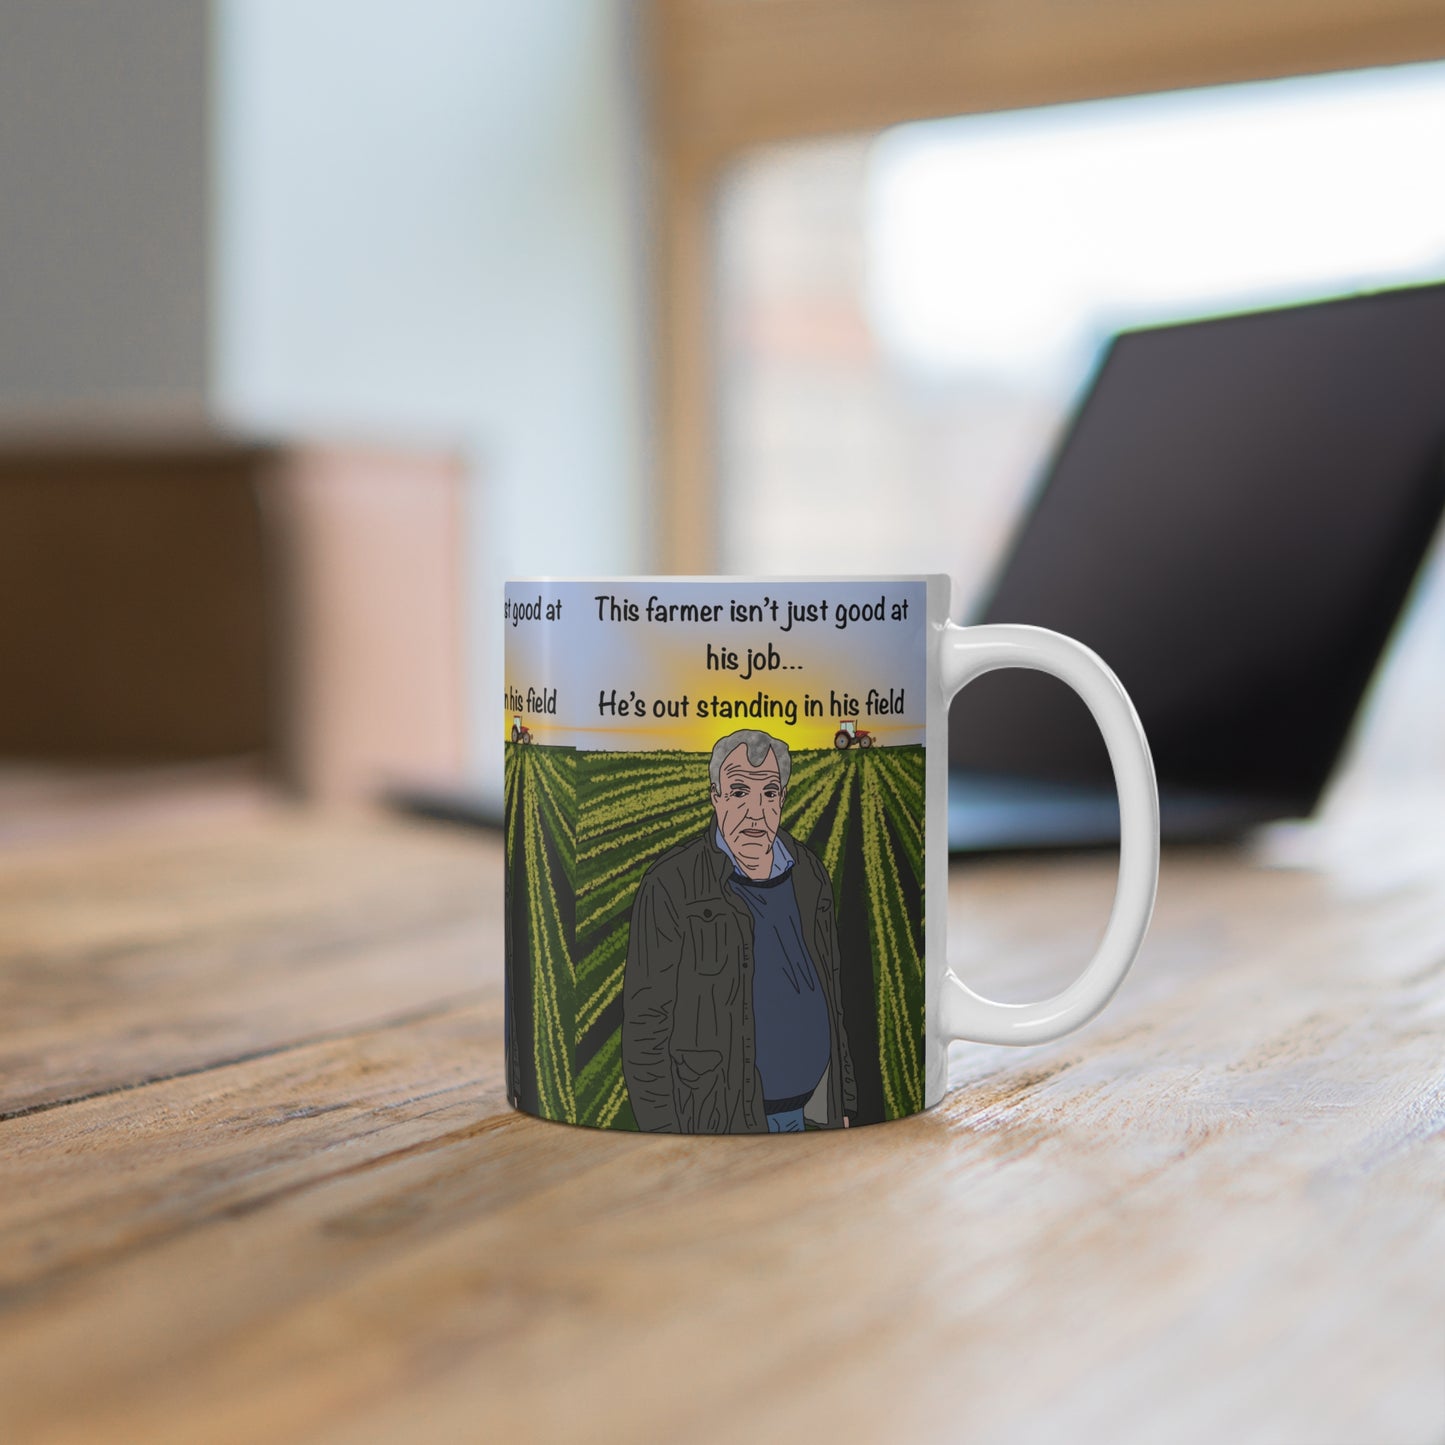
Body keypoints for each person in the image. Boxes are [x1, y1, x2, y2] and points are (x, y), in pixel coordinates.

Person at [622, 729, 856, 1133]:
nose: (755, 811)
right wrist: (661, 1133)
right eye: (738, 792)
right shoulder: (671, 884)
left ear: (782, 799)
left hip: (811, 1117)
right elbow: (646, 1023)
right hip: (722, 1123)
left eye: (768, 793)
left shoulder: (808, 874)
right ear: (715, 797)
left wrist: (844, 1099)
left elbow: (833, 994)